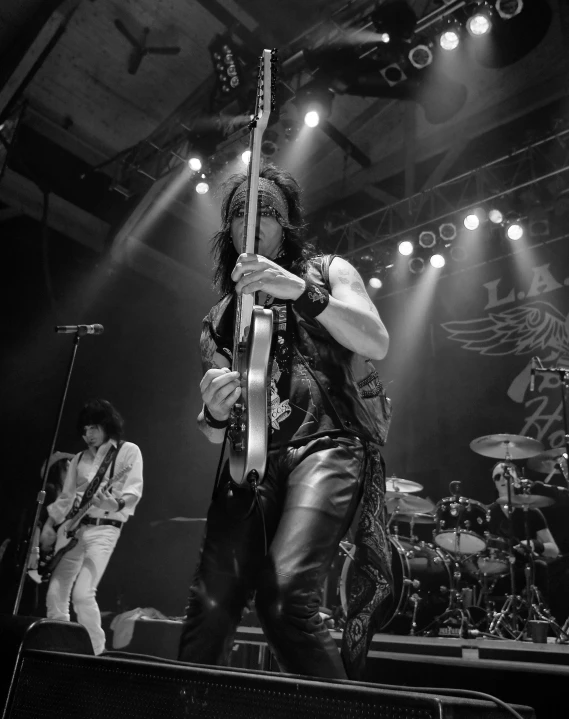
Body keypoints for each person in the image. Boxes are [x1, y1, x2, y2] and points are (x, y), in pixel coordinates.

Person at [178, 164, 393, 680]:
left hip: (329, 443)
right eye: (238, 214)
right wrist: (213, 409)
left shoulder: (327, 271)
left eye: (267, 211)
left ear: (287, 223)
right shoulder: (218, 318)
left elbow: (376, 341)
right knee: (208, 610)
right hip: (249, 457)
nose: (252, 222)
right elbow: (211, 428)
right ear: (227, 229)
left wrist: (301, 291)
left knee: (284, 597)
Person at [39, 399, 143, 655]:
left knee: (83, 594)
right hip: (74, 532)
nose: (88, 435)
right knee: (55, 595)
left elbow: (133, 490)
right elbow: (66, 498)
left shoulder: (127, 451)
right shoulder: (77, 459)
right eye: (85, 430)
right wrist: (50, 525)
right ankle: (60, 650)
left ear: (107, 425)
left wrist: (114, 502)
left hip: (104, 529)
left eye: (94, 427)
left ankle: (96, 653)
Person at [486, 462, 559, 603]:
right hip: (498, 573)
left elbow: (554, 550)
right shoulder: (488, 514)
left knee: (540, 567)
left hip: (525, 571)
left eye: (507, 475)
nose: (502, 479)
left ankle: (538, 619)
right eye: (497, 477)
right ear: (494, 483)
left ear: (517, 480)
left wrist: (534, 544)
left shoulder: (531, 511)